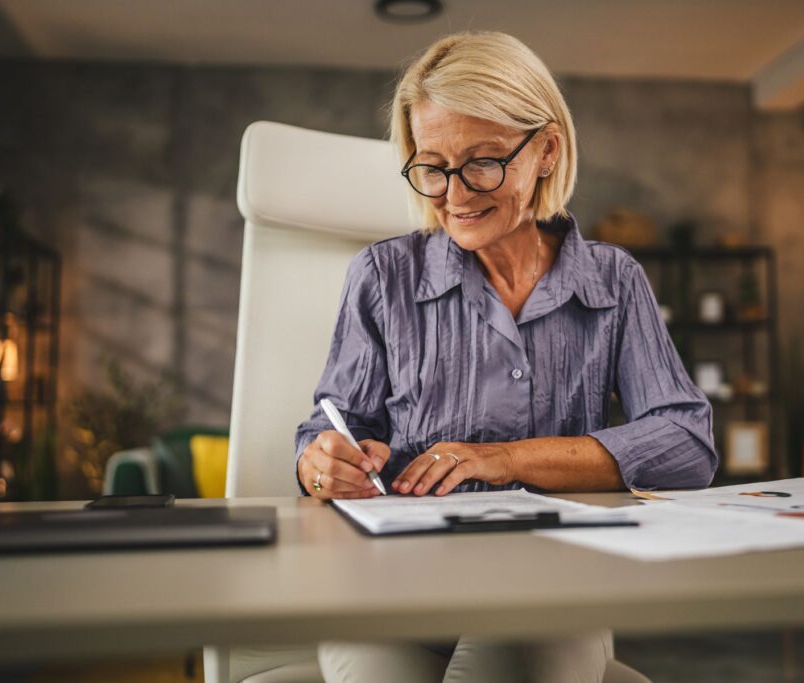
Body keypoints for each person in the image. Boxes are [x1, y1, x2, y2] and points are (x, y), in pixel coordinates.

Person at [294, 31, 717, 683]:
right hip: (390, 586)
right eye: (432, 166)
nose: (455, 194)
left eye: (483, 162)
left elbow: (686, 442)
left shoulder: (613, 280)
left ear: (546, 150)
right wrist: (323, 465)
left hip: (550, 584)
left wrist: (506, 458)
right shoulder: (381, 276)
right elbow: (326, 432)